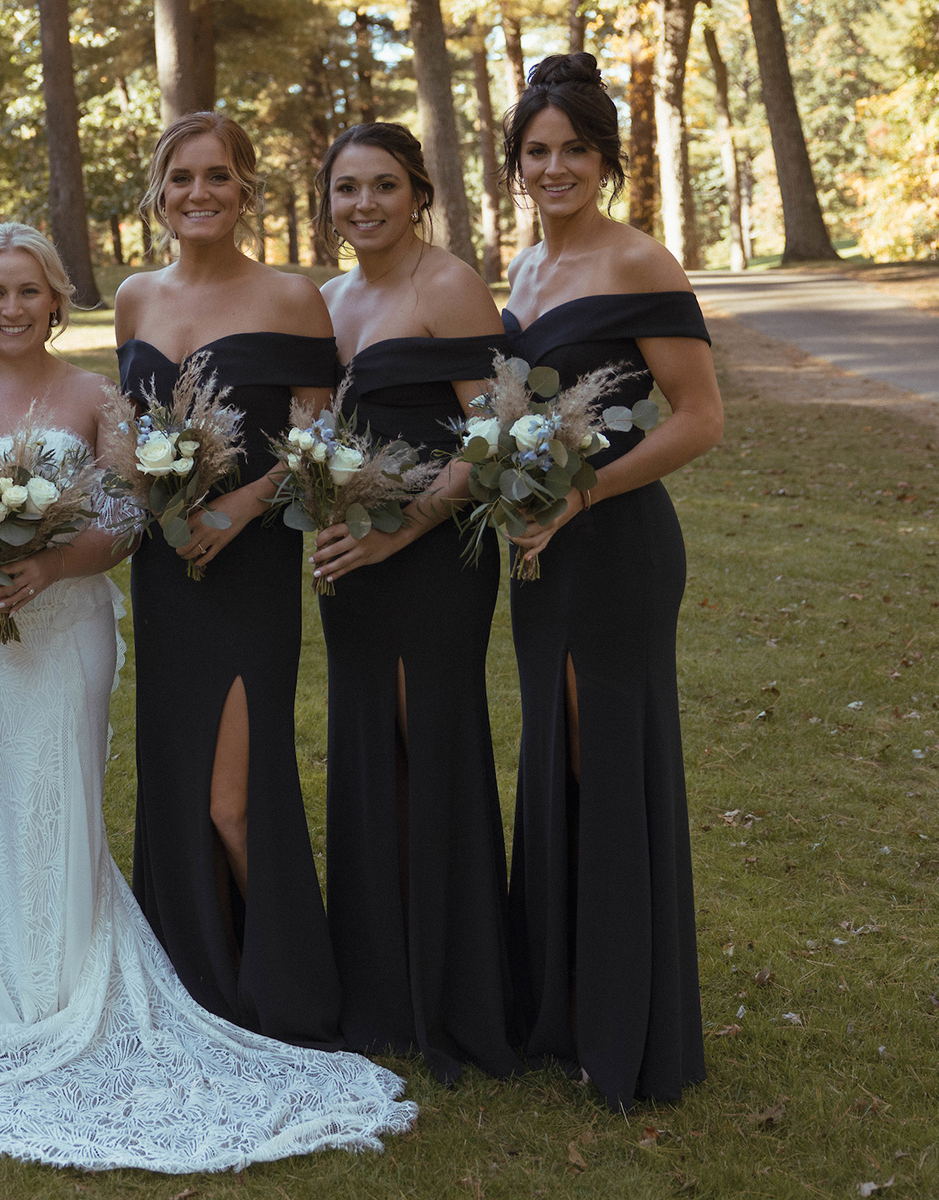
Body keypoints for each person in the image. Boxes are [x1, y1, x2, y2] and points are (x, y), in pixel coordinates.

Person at [0, 224, 417, 1172]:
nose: (12, 308)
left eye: (29, 291)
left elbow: (124, 514)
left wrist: (47, 565)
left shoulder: (95, 397)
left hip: (62, 621)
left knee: (58, 790)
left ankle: (65, 979)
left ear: (58, 301)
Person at [499, 52, 723, 1111]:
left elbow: (700, 418)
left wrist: (585, 494)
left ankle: (626, 1024)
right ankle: (567, 1002)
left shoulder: (640, 261)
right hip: (541, 551)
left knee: (607, 758)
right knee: (559, 754)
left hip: (617, 542)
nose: (555, 169)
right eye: (537, 152)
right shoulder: (522, 271)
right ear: (516, 164)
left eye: (575, 151)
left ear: (606, 161)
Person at [114, 111, 342, 1046]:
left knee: (233, 801)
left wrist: (241, 507)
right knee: (178, 785)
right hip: (166, 571)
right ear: (159, 193)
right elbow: (128, 432)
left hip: (249, 571)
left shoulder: (292, 298)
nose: (198, 193)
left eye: (217, 176)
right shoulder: (135, 297)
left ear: (246, 188)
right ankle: (195, 983)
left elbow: (319, 440)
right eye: (181, 178)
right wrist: (153, 498)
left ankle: (293, 993)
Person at [311, 123, 522, 1085]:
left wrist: (403, 528)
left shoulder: (449, 285)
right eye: (347, 188)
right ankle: (378, 994)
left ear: (418, 194)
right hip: (349, 563)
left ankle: (455, 999)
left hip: (433, 557)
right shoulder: (327, 301)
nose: (365, 204)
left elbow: (494, 433)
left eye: (384, 186)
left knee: (429, 743)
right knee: (368, 748)